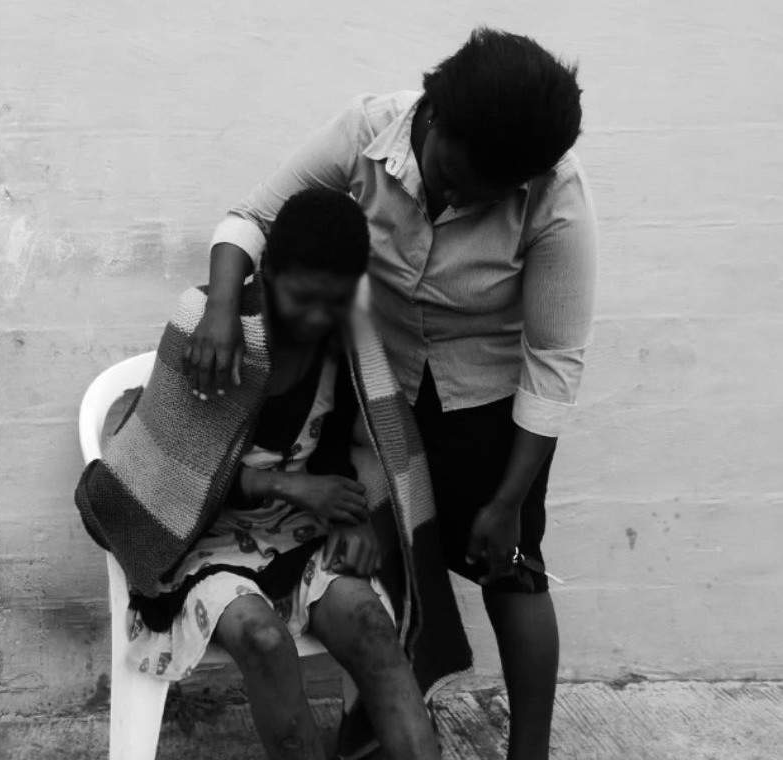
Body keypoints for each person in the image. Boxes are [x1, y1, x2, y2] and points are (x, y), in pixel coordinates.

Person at [188, 28, 596, 759]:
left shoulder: (552, 191)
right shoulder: (367, 128)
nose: (458, 197)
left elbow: (555, 357)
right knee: (380, 558)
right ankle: (375, 723)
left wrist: (507, 500)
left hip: (485, 398)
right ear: (433, 118)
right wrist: (221, 308)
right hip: (376, 389)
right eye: (454, 176)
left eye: (485, 195)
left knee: (510, 570)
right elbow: (253, 220)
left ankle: (529, 751)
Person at [78, 189, 472, 760]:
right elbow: (170, 475)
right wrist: (286, 485)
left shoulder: (349, 346)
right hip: (194, 544)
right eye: (302, 299)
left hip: (296, 536)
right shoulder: (207, 327)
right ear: (268, 275)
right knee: (263, 639)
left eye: (334, 302)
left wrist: (356, 521)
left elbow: (361, 453)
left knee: (370, 624)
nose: (317, 319)